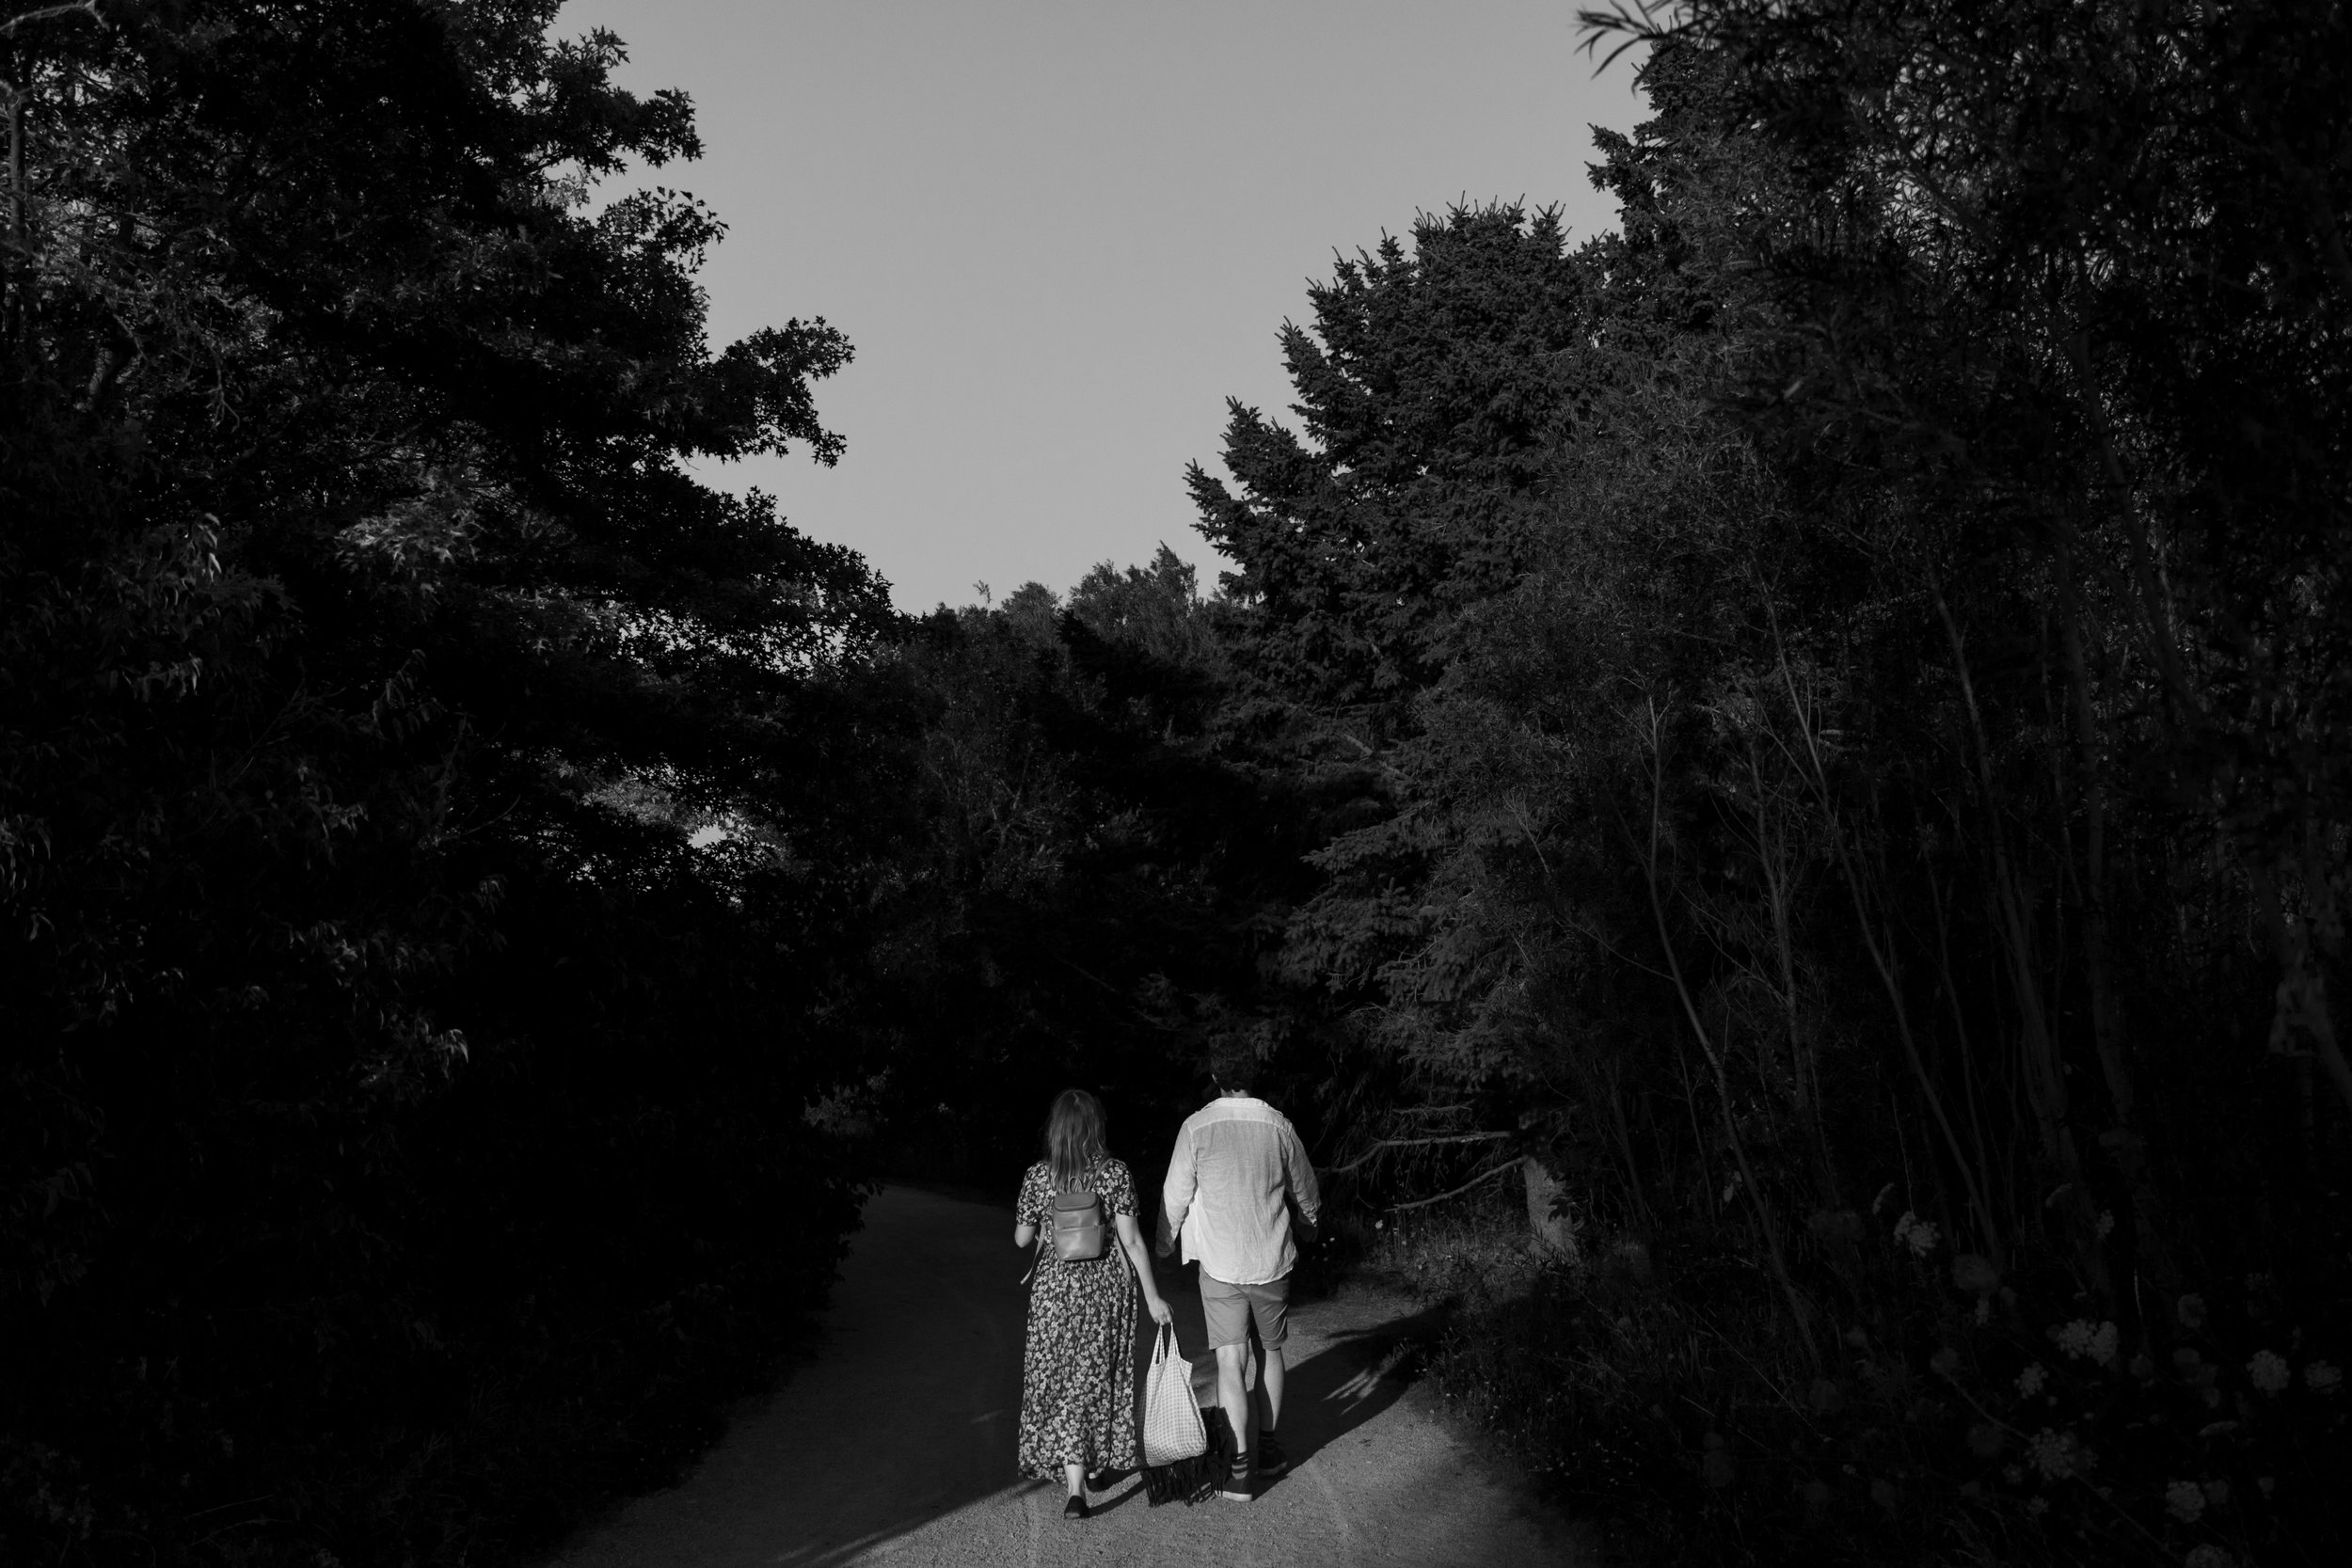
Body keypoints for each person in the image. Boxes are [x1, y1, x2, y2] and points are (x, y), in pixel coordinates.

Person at [1155, 1039, 1321, 1501]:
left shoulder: (1196, 1127)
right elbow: (1304, 1186)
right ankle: (1268, 1448)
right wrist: (1309, 1222)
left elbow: (1175, 1194)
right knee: (1270, 1350)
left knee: (1230, 1359)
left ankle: (1241, 1470)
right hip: (1270, 1259)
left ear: (1214, 1076)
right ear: (1255, 1074)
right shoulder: (1277, 1124)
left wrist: (1164, 1245)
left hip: (1221, 1263)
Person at [1013, 1088, 1175, 1522]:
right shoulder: (1114, 1173)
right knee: (1098, 1380)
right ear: (1096, 1128)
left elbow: (1021, 1239)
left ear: (1056, 1130)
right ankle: (1093, 1462)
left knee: (1062, 1384)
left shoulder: (1037, 1177)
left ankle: (1075, 1489)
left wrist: (1045, 1229)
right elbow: (1133, 1241)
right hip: (1103, 1292)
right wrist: (1154, 1295)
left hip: (1054, 1295)